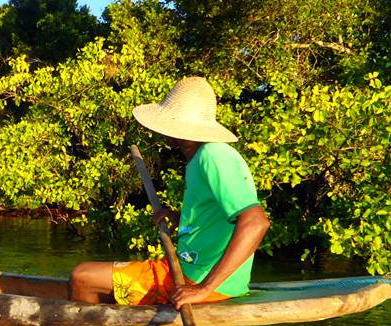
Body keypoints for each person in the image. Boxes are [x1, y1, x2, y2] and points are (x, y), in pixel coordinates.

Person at [70, 76, 271, 309]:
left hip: (199, 280)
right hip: (189, 271)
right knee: (89, 278)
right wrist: (179, 218)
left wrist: (204, 289)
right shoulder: (199, 158)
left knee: (82, 277)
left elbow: (257, 223)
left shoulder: (213, 155)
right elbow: (215, 217)